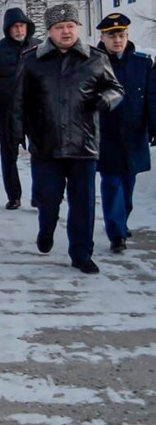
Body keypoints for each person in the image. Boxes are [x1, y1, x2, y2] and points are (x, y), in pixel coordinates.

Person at [9, 3, 124, 274]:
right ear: (49, 31)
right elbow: (18, 101)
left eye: (70, 26)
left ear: (78, 28)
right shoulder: (31, 60)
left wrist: (105, 100)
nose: (66, 32)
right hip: (46, 144)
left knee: (82, 203)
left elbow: (115, 88)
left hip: (83, 144)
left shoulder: (95, 59)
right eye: (59, 27)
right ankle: (46, 227)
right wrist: (17, 135)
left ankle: (81, 253)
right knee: (47, 199)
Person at [94, 13, 156, 252]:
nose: (117, 40)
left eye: (121, 35)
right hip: (106, 134)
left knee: (128, 184)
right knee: (111, 183)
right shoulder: (94, 62)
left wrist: (154, 126)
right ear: (103, 37)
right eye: (112, 36)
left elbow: (152, 97)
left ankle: (122, 219)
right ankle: (116, 233)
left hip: (134, 133)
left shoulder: (142, 63)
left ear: (127, 36)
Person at [0, 7, 41, 210]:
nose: (19, 30)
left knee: (39, 155)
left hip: (34, 111)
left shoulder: (39, 47)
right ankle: (14, 196)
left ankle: (39, 196)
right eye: (14, 27)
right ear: (8, 29)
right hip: (6, 110)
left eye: (22, 25)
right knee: (9, 157)